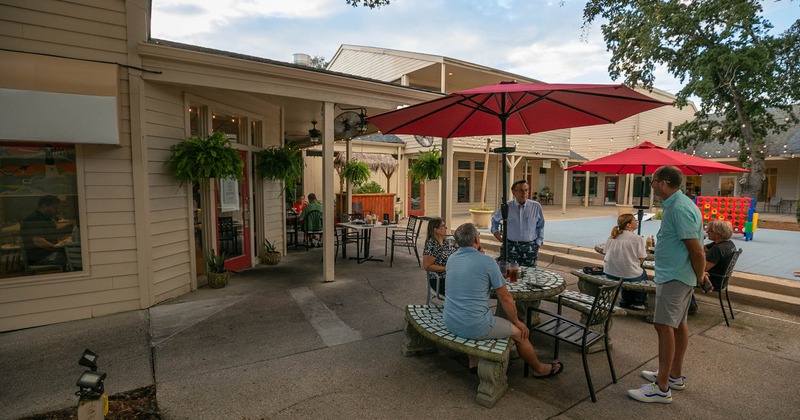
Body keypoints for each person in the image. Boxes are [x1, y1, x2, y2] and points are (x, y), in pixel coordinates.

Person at [628, 166, 709, 404]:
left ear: (663, 183)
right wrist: (699, 274)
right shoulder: (681, 204)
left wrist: (701, 274)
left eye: (653, 182)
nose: (651, 186)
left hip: (676, 277)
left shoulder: (679, 209)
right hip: (678, 275)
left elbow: (696, 249)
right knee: (678, 324)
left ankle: (662, 387)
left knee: (663, 326)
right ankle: (673, 375)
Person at [443, 222, 563, 378]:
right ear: (476, 240)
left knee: (472, 309)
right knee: (520, 333)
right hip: (473, 326)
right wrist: (516, 321)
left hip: (451, 320)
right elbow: (506, 298)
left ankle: (474, 361)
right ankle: (539, 369)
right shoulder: (487, 262)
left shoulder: (452, 259)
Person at [490, 180, 545, 267]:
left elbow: (540, 226)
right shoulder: (507, 206)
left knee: (529, 275)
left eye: (526, 190)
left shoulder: (536, 206)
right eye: (521, 190)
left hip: (530, 246)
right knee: (509, 275)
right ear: (513, 192)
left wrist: (538, 243)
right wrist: (495, 232)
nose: (524, 193)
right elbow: (495, 220)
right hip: (510, 246)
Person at [688, 219, 736, 314]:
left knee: (681, 277)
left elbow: (703, 268)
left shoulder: (718, 249)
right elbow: (702, 249)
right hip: (723, 280)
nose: (706, 232)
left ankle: (691, 305)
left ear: (717, 234)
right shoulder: (728, 244)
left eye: (709, 231)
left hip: (713, 280)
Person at [603, 213, 648, 310]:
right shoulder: (637, 238)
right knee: (640, 273)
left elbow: (605, 252)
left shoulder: (612, 237)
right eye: (635, 220)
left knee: (627, 272)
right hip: (628, 274)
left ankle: (625, 300)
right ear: (628, 225)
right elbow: (642, 258)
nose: (637, 222)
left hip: (609, 272)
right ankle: (638, 302)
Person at [20, 195, 69, 268]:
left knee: (71, 255)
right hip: (39, 258)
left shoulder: (45, 219)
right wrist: (57, 248)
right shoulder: (34, 220)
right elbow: (38, 241)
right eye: (55, 208)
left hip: (48, 254)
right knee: (71, 257)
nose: (57, 210)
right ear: (44, 207)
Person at [422, 217, 457, 297]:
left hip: (451, 277)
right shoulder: (432, 244)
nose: (446, 228)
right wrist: (447, 268)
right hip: (440, 280)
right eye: (443, 226)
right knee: (464, 290)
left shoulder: (445, 241)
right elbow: (427, 266)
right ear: (436, 230)